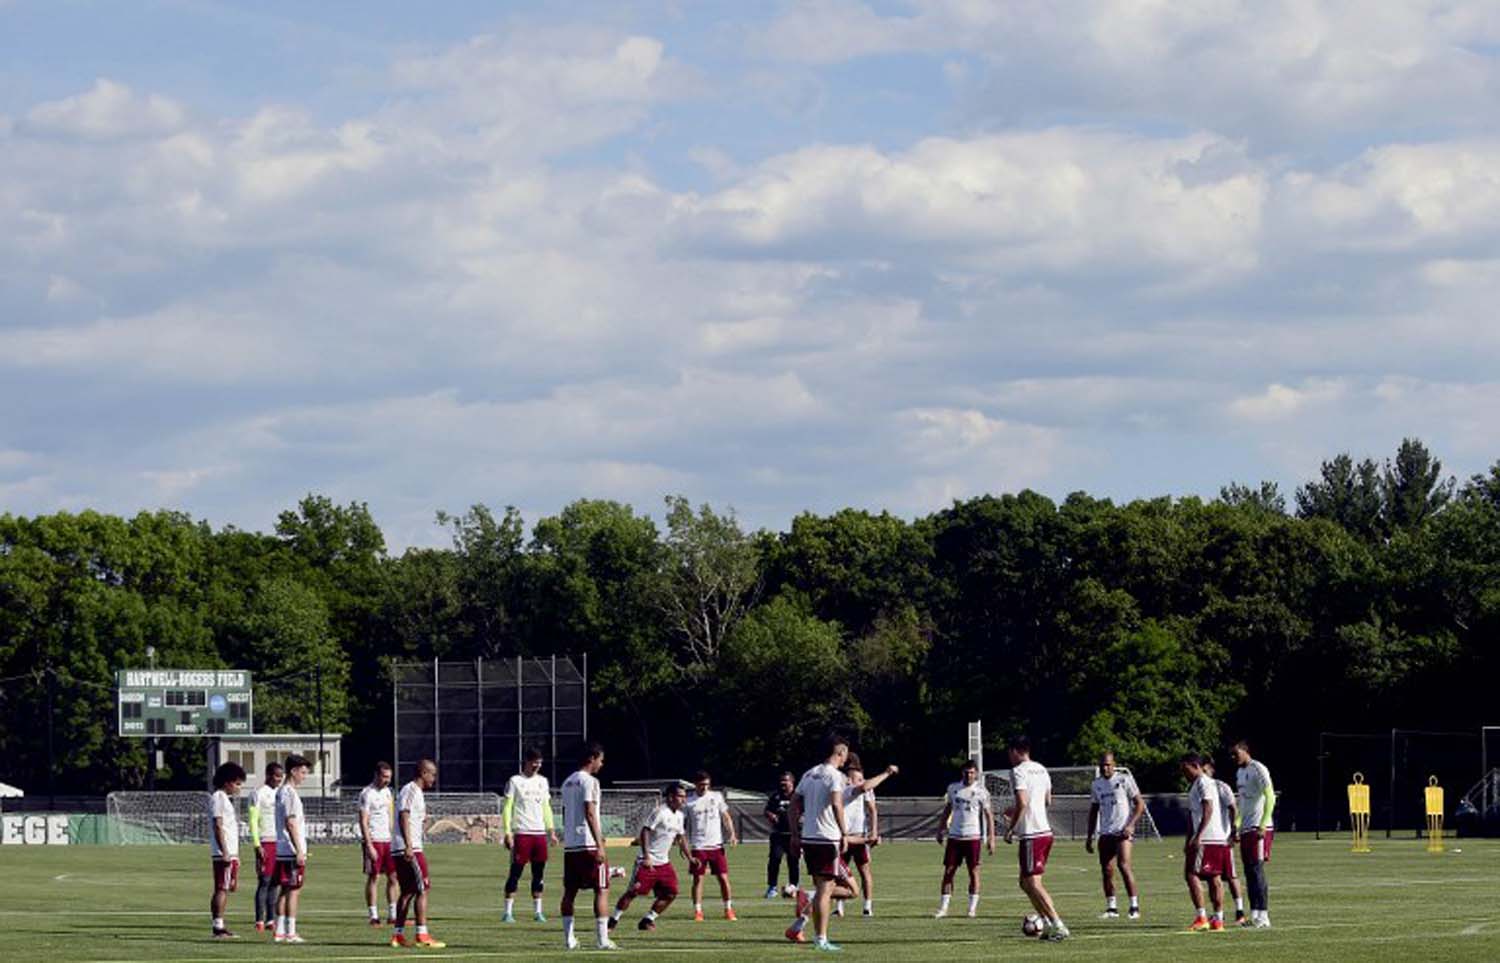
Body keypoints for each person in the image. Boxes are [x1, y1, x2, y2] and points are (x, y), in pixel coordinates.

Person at [785, 734, 871, 952]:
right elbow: (836, 804)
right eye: (845, 756)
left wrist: (795, 835)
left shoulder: (810, 773)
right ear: (839, 752)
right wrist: (844, 833)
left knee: (839, 889)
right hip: (827, 839)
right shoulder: (834, 776)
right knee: (826, 890)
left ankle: (800, 922)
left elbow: (793, 803)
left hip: (810, 838)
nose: (845, 760)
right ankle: (820, 939)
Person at [1005, 736, 1069, 941]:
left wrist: (1010, 828)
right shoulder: (1042, 769)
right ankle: (1047, 922)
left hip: (1032, 834)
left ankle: (1057, 924)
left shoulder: (1018, 771)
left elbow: (1023, 802)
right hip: (1045, 832)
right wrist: (1019, 809)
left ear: (1015, 751)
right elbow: (1047, 800)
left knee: (1033, 883)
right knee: (1025, 883)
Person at [609, 783, 692, 932]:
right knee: (633, 892)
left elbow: (682, 837)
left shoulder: (680, 816)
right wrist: (647, 856)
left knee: (671, 893)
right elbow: (645, 832)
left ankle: (648, 920)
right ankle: (612, 921)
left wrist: (690, 857)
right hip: (647, 862)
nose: (684, 800)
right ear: (671, 797)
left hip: (664, 863)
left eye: (685, 797)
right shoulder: (660, 812)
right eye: (681, 796)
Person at [560, 741, 618, 951]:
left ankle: (569, 939)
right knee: (602, 889)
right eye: (600, 760)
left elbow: (566, 813)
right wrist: (599, 844)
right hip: (588, 844)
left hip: (571, 846)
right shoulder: (590, 782)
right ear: (592, 758)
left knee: (570, 892)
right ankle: (602, 940)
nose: (601, 764)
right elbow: (590, 811)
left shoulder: (567, 782)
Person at [391, 758, 445, 948]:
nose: (434, 778)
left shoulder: (417, 793)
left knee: (407, 892)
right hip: (410, 848)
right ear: (423, 773)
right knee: (423, 889)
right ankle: (422, 935)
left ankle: (397, 935)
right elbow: (403, 815)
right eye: (433, 774)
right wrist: (408, 844)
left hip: (404, 847)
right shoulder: (411, 790)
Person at [836, 753, 897, 918]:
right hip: (846, 837)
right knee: (841, 873)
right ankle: (839, 907)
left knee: (864, 871)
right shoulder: (845, 789)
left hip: (860, 835)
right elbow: (863, 787)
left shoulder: (866, 790)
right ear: (849, 780)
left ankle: (867, 906)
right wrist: (887, 773)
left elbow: (872, 809)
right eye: (857, 779)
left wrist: (874, 831)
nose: (861, 782)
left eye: (862, 778)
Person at [503, 748, 560, 924]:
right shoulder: (515, 781)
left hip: (539, 834)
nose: (537, 765)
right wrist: (507, 832)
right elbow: (507, 807)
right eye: (534, 762)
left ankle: (538, 912)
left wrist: (551, 830)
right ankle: (508, 912)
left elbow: (546, 807)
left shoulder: (543, 782)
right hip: (522, 833)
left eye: (540, 762)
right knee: (516, 872)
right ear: (526, 762)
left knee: (539, 873)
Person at [1086, 751, 1143, 919]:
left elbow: (1139, 804)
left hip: (1122, 831)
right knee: (1107, 870)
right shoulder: (1096, 784)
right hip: (1105, 832)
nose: (1105, 767)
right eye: (1102, 765)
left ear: (1114, 764)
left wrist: (1131, 825)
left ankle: (1134, 906)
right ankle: (1112, 908)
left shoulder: (1124, 779)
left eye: (1108, 764)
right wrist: (1089, 836)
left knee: (1124, 866)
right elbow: (1094, 810)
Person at [934, 760, 994, 918]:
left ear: (976, 774)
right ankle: (943, 908)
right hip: (954, 836)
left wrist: (991, 838)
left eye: (972, 772)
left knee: (973, 872)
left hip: (973, 837)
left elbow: (989, 815)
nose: (969, 775)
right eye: (967, 772)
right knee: (948, 871)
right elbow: (947, 810)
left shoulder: (982, 791)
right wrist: (940, 829)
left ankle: (971, 909)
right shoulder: (953, 789)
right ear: (962, 773)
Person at [1182, 752, 1231, 932]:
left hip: (1207, 838)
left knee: (1191, 874)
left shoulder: (1202, 782)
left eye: (1185, 768)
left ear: (1195, 765)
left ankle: (1201, 917)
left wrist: (1198, 836)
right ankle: (1218, 920)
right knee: (1214, 878)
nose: (1183, 773)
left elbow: (1208, 808)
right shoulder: (1203, 783)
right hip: (1217, 838)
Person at [685, 769, 739, 921]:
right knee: (698, 879)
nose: (705, 788)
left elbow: (726, 817)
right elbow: (681, 824)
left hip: (716, 845)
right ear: (695, 784)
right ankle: (698, 911)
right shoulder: (689, 802)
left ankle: (728, 909)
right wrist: (682, 843)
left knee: (723, 878)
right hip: (698, 846)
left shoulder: (716, 797)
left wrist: (732, 834)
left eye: (707, 785)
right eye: (702, 785)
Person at [1233, 740, 1275, 928]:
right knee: (1249, 871)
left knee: (1257, 870)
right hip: (1246, 829)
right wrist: (1237, 825)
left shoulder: (1258, 768)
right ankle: (1255, 915)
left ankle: (1264, 916)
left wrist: (1264, 824)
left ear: (1245, 751)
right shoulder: (1240, 773)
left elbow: (1271, 796)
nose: (1234, 757)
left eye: (1236, 753)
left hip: (1259, 827)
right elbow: (1242, 804)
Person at [273, 754, 311, 944]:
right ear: (293, 771)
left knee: (284, 889)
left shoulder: (281, 791)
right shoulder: (289, 793)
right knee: (293, 890)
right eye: (303, 772)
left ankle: (279, 931)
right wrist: (299, 850)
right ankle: (291, 932)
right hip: (290, 849)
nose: (305, 776)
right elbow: (291, 823)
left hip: (282, 849)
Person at [208, 761, 246, 940]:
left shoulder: (225, 799)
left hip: (231, 852)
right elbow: (218, 825)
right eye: (237, 783)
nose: (239, 788)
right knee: (221, 888)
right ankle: (218, 927)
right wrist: (224, 851)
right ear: (227, 782)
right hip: (224, 852)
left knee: (228, 888)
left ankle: (220, 925)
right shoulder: (218, 797)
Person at [1204, 760, 1245, 924]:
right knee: (1212, 878)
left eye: (1205, 770)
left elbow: (1233, 808)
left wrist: (1234, 830)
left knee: (1231, 875)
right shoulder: (1200, 787)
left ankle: (1239, 911)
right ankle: (1218, 913)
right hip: (1210, 840)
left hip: (1222, 839)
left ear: (1211, 770)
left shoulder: (1221, 786)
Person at [357, 762, 397, 927]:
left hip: (389, 841)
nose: (387, 780)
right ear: (376, 775)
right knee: (374, 877)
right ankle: (373, 915)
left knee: (394, 877)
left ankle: (393, 915)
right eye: (384, 777)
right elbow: (363, 821)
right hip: (374, 840)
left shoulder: (388, 792)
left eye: (389, 777)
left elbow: (390, 816)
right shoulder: (367, 793)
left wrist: (395, 838)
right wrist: (369, 845)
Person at [249, 761, 283, 933]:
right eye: (277, 776)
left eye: (281, 776)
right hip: (265, 841)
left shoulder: (282, 793)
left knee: (275, 883)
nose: (279, 779)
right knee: (264, 881)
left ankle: (271, 919)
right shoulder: (258, 793)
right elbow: (253, 820)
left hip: (280, 842)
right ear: (268, 775)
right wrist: (257, 844)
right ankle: (259, 920)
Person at [764, 772, 799, 899]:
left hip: (793, 834)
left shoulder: (798, 796)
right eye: (782, 780)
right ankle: (772, 887)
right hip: (778, 834)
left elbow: (805, 811)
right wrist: (771, 815)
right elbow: (767, 810)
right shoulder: (775, 796)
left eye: (786, 780)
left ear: (792, 782)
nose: (783, 783)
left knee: (793, 861)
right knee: (774, 859)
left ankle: (794, 885)